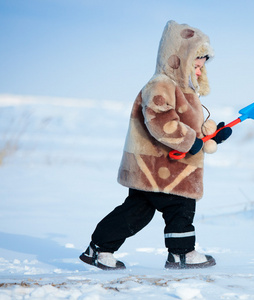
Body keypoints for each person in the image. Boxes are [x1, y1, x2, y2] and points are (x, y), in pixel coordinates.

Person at [79, 20, 232, 270]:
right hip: (160, 166)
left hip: (165, 168)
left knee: (136, 212)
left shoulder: (186, 91)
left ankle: (98, 248)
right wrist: (190, 141)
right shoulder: (161, 84)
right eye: (196, 63)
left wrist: (212, 137)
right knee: (180, 205)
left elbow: (190, 131)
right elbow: (160, 120)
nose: (200, 69)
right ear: (178, 58)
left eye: (203, 65)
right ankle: (181, 253)